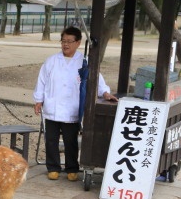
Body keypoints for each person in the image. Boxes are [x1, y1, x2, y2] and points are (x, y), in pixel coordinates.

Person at [33, 26, 118, 181]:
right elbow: (41, 81)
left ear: (78, 43)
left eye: (69, 41)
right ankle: (53, 167)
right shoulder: (51, 61)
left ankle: (72, 168)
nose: (65, 44)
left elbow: (97, 80)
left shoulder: (84, 62)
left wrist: (105, 93)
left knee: (70, 140)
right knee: (51, 139)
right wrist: (39, 100)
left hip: (72, 108)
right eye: (63, 41)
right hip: (52, 105)